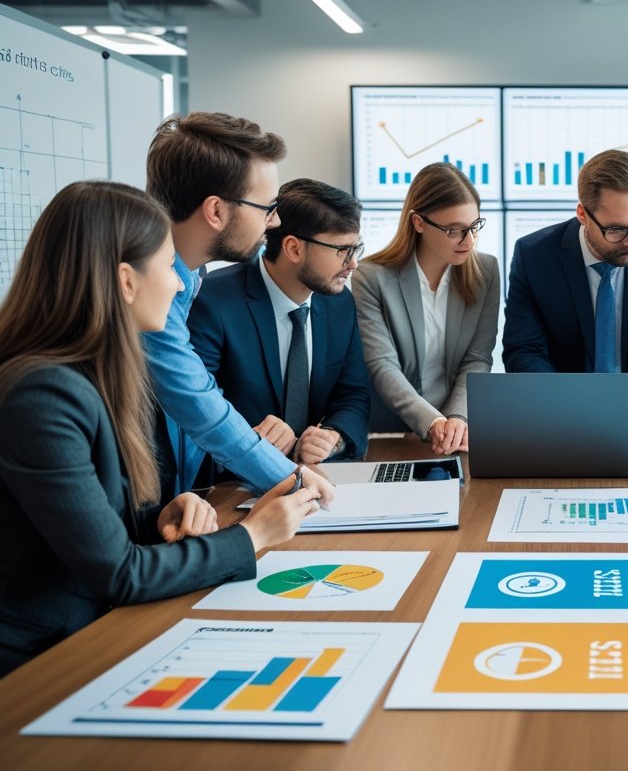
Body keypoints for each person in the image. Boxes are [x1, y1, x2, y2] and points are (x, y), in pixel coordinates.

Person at [0, 181, 323, 677]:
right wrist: (251, 536)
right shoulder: (42, 396)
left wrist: (159, 517)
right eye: (168, 265)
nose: (178, 284)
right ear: (125, 281)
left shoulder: (89, 376)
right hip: (40, 662)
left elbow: (91, 526)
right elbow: (119, 573)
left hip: (91, 632)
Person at [144, 112, 334, 502]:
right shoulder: (148, 295)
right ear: (215, 211)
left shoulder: (188, 280)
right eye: (267, 206)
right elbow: (199, 408)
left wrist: (253, 442)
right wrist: (296, 481)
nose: (276, 220)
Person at [503, 149, 628, 441]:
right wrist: (559, 407)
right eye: (616, 229)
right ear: (582, 215)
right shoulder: (535, 256)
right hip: (563, 424)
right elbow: (523, 350)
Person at [188, 178, 370, 465]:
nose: (353, 263)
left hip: (317, 479)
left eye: (356, 248)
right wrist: (253, 440)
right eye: (342, 251)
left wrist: (334, 437)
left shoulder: (339, 302)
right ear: (294, 249)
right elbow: (193, 414)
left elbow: (353, 395)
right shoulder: (214, 302)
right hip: (236, 483)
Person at [352, 162, 499, 455]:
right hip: (391, 434)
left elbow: (477, 359)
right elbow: (382, 365)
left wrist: (456, 417)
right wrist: (433, 422)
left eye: (474, 227)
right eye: (454, 230)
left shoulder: (486, 271)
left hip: (459, 434)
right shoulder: (371, 277)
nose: (468, 241)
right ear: (418, 223)